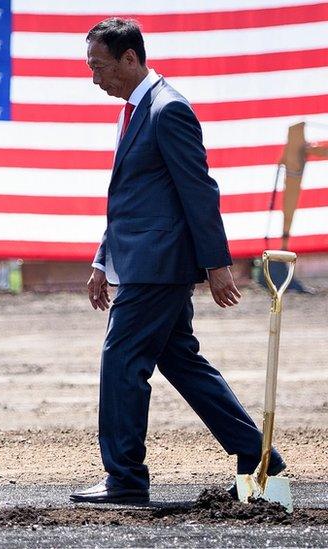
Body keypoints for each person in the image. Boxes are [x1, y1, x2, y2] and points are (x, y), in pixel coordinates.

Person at [71, 18, 285, 504]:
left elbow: (199, 191)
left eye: (100, 67)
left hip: (159, 265)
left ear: (131, 58)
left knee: (121, 361)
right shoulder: (134, 111)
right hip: (139, 259)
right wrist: (103, 261)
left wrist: (217, 264)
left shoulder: (168, 110)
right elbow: (129, 198)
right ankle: (257, 453)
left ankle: (124, 478)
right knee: (181, 361)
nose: (95, 78)